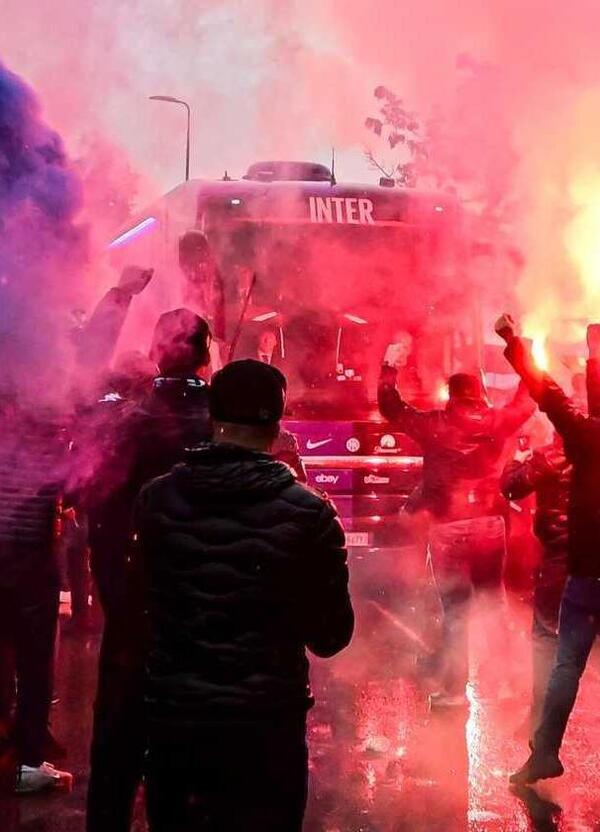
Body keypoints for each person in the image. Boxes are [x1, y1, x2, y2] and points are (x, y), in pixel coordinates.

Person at [135, 359, 354, 832]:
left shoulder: (155, 501)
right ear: (278, 423)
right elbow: (331, 635)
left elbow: (138, 609)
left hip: (176, 724)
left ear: (212, 417)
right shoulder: (309, 514)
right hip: (266, 729)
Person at [85, 309, 213, 832]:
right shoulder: (226, 425)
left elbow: (96, 502)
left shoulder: (124, 419)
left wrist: (114, 594)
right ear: (205, 355)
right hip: (204, 616)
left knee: (118, 747)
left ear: (157, 351)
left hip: (134, 607)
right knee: (191, 765)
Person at [378, 363, 535, 707]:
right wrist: (527, 359)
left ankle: (453, 692)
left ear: (452, 395)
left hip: (447, 528)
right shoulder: (495, 421)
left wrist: (389, 366)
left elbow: (392, 408)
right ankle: (506, 685)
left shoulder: (434, 424)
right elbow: (527, 404)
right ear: (478, 394)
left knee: (455, 610)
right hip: (490, 524)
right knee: (493, 601)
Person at [495, 316, 600, 785]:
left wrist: (515, 343)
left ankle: (545, 752)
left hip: (586, 573)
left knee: (565, 666)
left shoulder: (584, 437)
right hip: (581, 572)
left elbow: (547, 392)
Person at [0, 399, 72, 793]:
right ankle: (27, 761)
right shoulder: (48, 445)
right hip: (30, 566)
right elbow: (75, 488)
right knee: (34, 665)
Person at [501, 431, 570, 733]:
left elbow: (511, 487)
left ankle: (539, 721)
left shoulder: (548, 457)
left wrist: (516, 459)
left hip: (560, 560)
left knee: (545, 639)